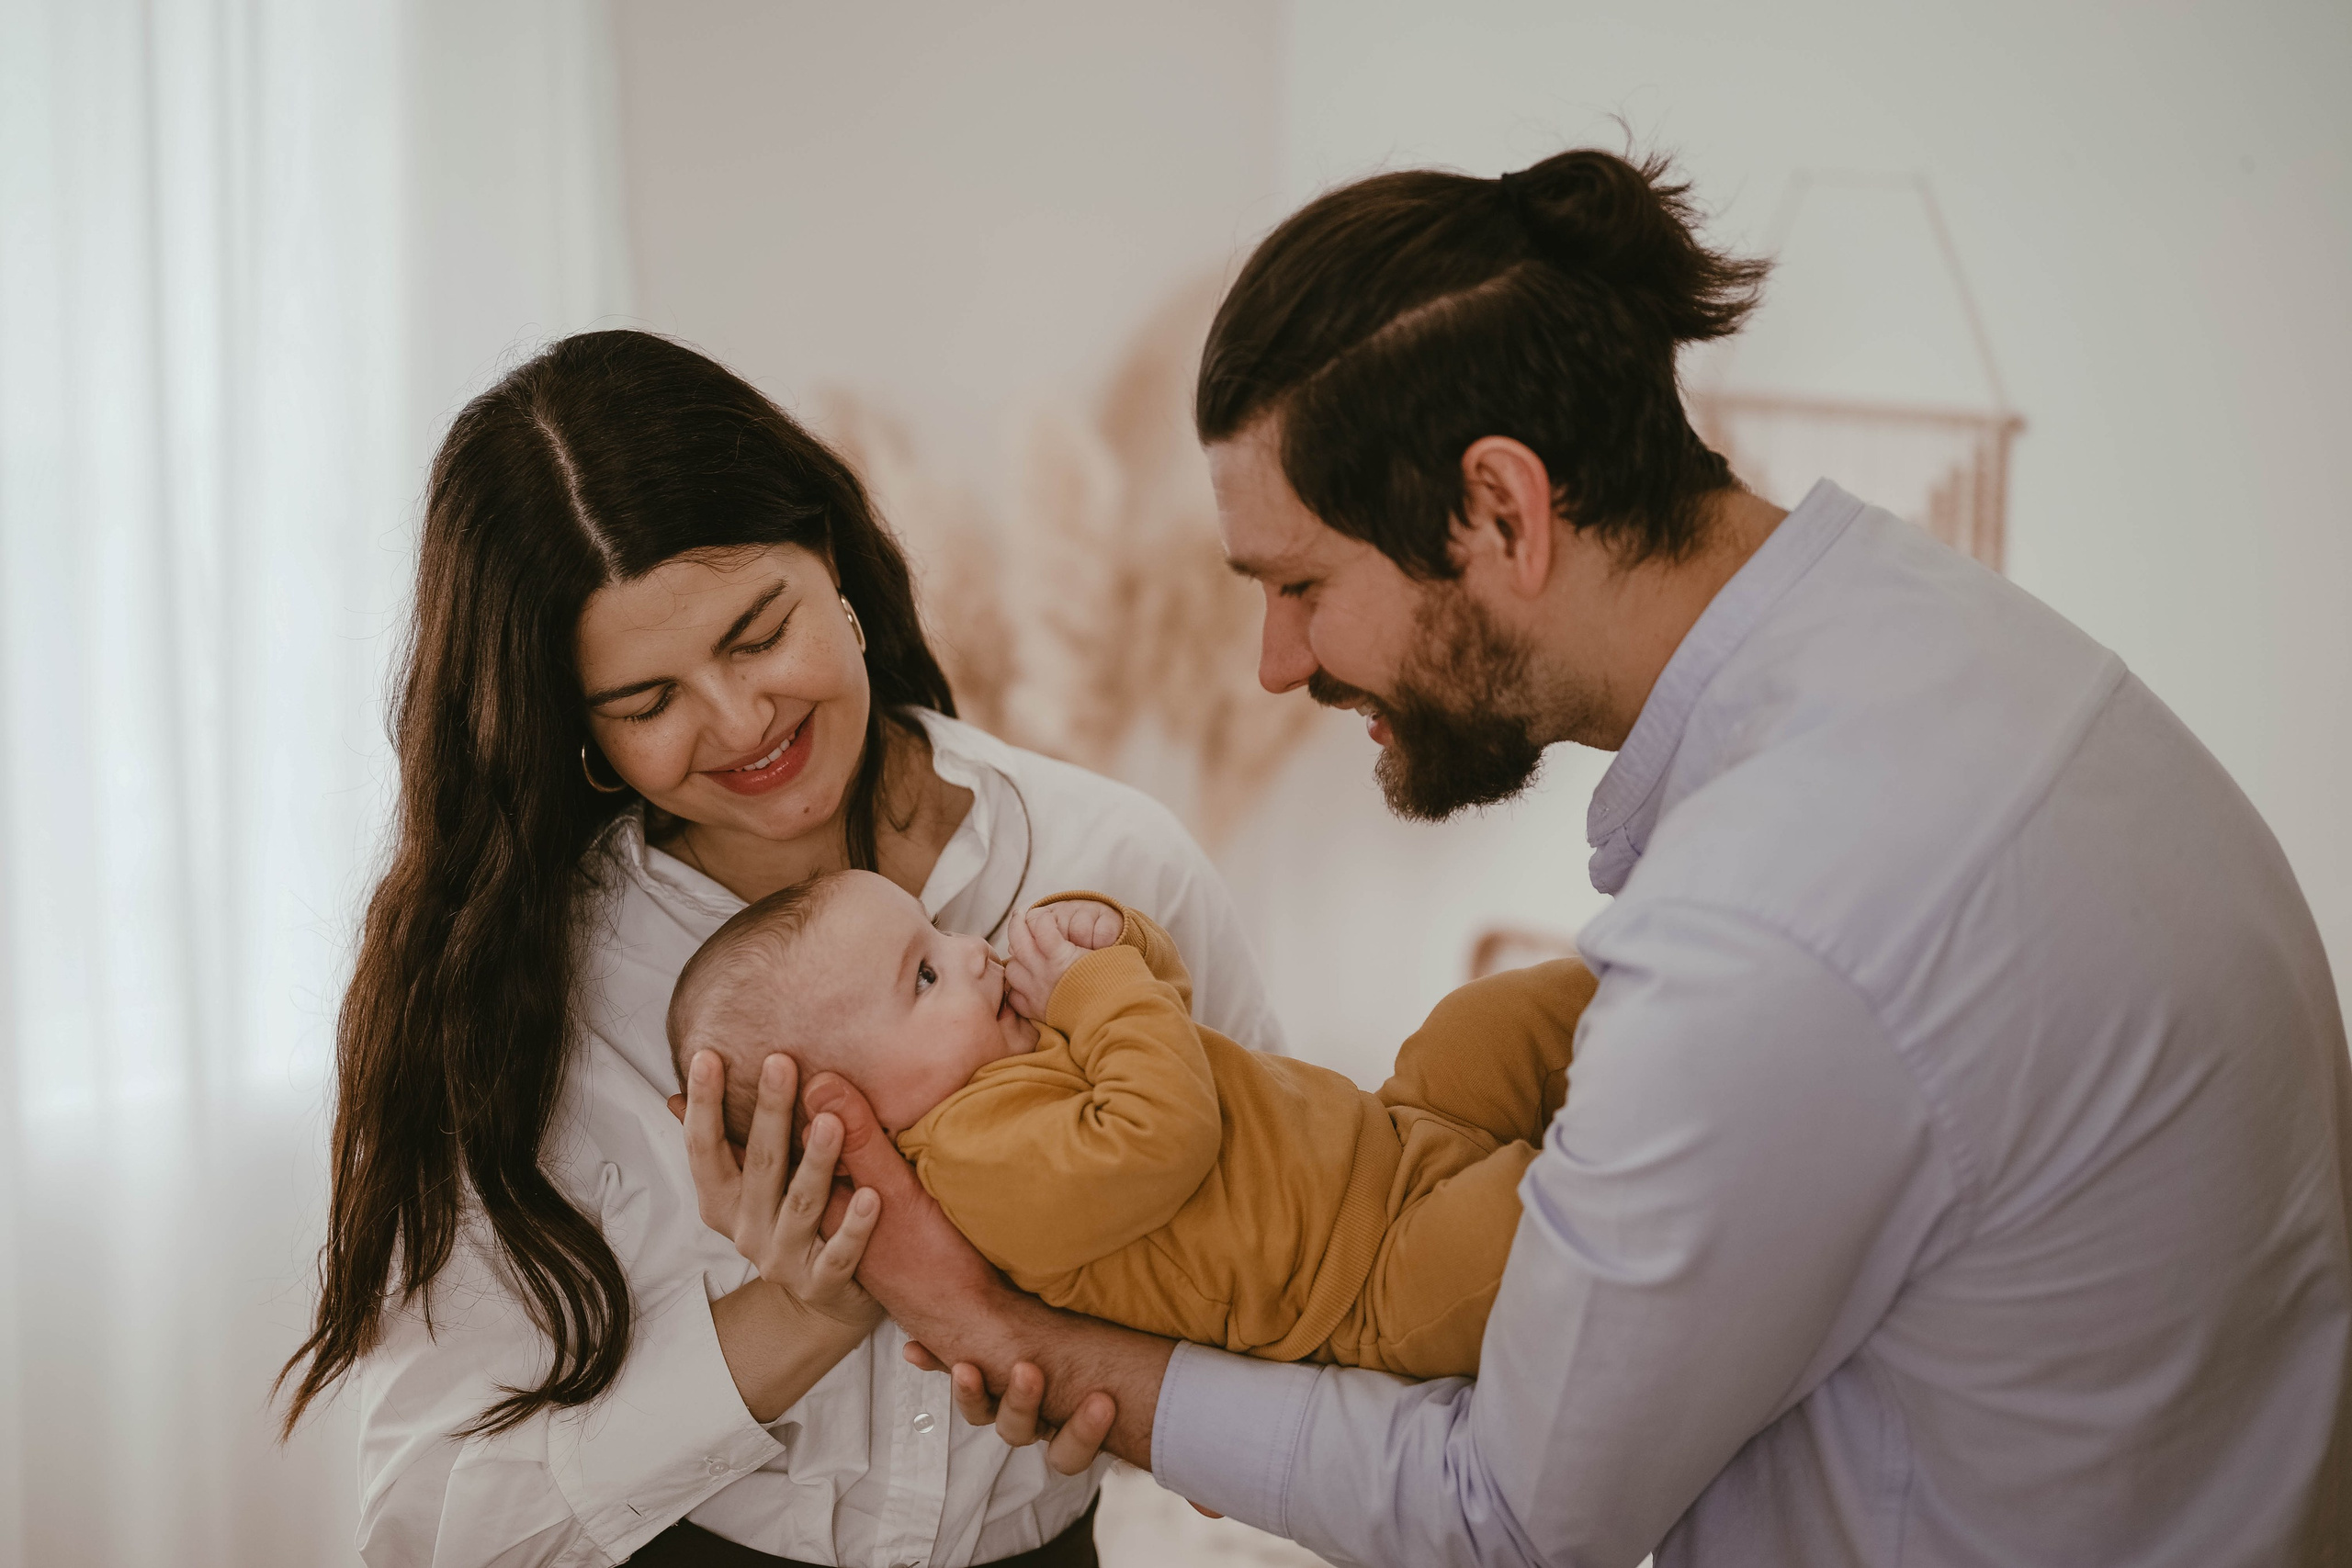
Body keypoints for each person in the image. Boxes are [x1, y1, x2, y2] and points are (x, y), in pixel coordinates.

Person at [721, 149, 2352, 1565]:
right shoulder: (1952, 642)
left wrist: (1013, 1333)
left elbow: (1516, 1515)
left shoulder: (1772, 928)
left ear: (1499, 509)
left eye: (1299, 584)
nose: (1279, 665)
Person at [275, 330, 1284, 1567]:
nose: (741, 720)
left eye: (760, 632)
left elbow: (1286, 1273)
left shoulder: (1109, 865)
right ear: (576, 727)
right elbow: (432, 1524)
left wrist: (1107, 1378)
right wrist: (802, 1309)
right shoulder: (528, 985)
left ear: (837, 567)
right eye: (648, 701)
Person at [668, 874, 1592, 1379]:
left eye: (941, 929)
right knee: (1550, 1214)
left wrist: (1119, 944)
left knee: (1490, 1020)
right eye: (924, 976)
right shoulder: (974, 1164)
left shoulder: (1010, 1060)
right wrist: (1097, 989)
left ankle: (1667, 993)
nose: (972, 950)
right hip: (1376, 1280)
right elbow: (1164, 1132)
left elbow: (1170, 1030)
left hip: (1392, 1134)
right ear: (848, 1108)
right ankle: (1686, 1140)